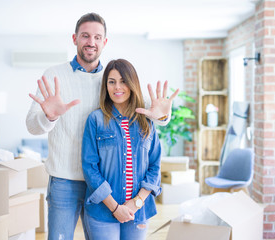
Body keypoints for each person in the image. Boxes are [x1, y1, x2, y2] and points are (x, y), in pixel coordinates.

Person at [26, 13, 178, 240]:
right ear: (75, 38)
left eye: (97, 37)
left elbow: (147, 111)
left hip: (105, 183)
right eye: (85, 36)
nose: (91, 42)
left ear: (104, 42)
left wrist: (164, 117)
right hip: (64, 181)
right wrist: (49, 117)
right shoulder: (54, 75)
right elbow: (32, 126)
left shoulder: (113, 78)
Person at [82, 59, 165, 240]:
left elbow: (154, 166)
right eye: (112, 82)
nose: (117, 87)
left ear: (132, 83)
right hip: (102, 212)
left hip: (138, 211)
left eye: (123, 81)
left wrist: (137, 203)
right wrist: (115, 208)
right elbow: (90, 168)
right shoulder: (95, 119)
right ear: (106, 86)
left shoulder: (147, 120)